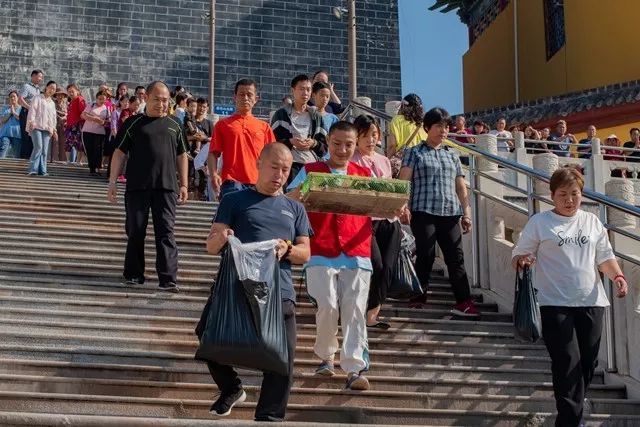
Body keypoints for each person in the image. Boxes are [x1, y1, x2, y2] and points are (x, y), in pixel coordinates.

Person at [511, 167, 628, 427]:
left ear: (581, 194)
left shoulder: (592, 221)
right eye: (563, 194)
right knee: (567, 361)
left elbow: (604, 257)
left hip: (591, 301)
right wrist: (524, 260)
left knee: (587, 362)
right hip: (553, 303)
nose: (569, 200)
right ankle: (570, 421)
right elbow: (519, 255)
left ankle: (571, 415)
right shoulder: (540, 222)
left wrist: (618, 277)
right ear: (552, 195)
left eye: (574, 194)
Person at [203, 143, 312, 421]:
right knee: (208, 337)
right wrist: (223, 236)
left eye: (285, 169)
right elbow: (211, 246)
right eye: (274, 166)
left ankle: (269, 418)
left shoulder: (294, 208)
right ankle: (231, 388)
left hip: (280, 291)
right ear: (259, 164)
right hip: (236, 286)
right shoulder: (234, 200)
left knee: (281, 360)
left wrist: (286, 249)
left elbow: (305, 253)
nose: (279, 174)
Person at [287, 121, 374, 391]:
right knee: (327, 305)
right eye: (337, 144)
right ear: (328, 142)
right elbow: (288, 200)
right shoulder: (310, 171)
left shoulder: (364, 174)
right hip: (320, 249)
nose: (343, 149)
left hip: (357, 250)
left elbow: (380, 206)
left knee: (355, 309)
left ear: (356, 143)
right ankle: (326, 356)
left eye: (349, 144)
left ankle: (355, 368)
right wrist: (302, 193)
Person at [107, 81, 189, 293]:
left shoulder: (175, 124)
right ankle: (134, 274)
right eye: (157, 100)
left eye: (165, 101)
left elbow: (182, 155)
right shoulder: (134, 123)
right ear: (146, 98)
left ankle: (168, 278)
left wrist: (185, 184)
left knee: (166, 232)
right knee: (135, 230)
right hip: (137, 187)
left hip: (167, 187)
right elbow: (119, 152)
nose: (161, 104)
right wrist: (112, 181)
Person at [398, 107, 479, 317]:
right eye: (438, 126)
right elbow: (404, 180)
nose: (443, 130)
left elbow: (461, 187)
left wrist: (466, 212)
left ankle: (465, 302)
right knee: (426, 253)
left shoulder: (452, 155)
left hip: (450, 212)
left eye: (446, 126)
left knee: (456, 257)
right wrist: (402, 205)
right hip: (423, 210)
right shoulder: (414, 152)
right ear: (427, 128)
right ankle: (418, 294)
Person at [351, 115, 406, 329]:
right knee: (375, 263)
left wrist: (401, 206)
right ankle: (359, 306)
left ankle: (373, 315)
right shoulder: (351, 159)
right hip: (364, 221)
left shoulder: (383, 160)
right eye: (365, 135)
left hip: (389, 220)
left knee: (387, 268)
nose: (370, 140)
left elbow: (392, 189)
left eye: (374, 134)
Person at [207, 78, 276, 200]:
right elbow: (213, 153)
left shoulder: (264, 127)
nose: (245, 98)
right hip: (231, 183)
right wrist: (213, 174)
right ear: (235, 97)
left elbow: (273, 157)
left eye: (249, 95)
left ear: (256, 99)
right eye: (241, 94)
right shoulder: (223, 125)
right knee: (229, 218)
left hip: (258, 183)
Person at [271, 74, 327, 184]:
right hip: (289, 166)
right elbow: (272, 143)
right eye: (301, 89)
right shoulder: (281, 114)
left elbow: (324, 148)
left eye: (308, 89)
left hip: (311, 166)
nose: (305, 93)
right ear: (293, 90)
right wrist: (290, 142)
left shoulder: (317, 117)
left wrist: (313, 143)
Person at [26, 80, 57, 176]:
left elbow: (53, 117)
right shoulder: (38, 97)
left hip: (47, 128)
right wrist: (31, 122)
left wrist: (54, 128)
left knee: (44, 150)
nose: (52, 90)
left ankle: (42, 170)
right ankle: (32, 169)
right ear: (46, 87)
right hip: (36, 126)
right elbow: (32, 110)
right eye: (51, 87)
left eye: (54, 89)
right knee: (38, 147)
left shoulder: (52, 103)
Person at [386, 93, 427, 158]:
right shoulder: (425, 124)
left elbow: (392, 145)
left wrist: (386, 160)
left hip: (406, 161)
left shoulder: (397, 120)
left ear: (404, 106)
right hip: (421, 160)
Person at [81, 90, 110, 176]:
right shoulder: (91, 105)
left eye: (103, 99)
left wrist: (103, 122)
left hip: (100, 132)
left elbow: (108, 120)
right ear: (96, 98)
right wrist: (95, 119)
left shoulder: (106, 108)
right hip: (88, 131)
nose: (101, 101)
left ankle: (97, 168)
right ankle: (92, 168)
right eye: (100, 99)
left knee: (98, 150)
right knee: (89, 150)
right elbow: (83, 115)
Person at [18, 69, 44, 159]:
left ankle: (30, 158)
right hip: (26, 113)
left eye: (41, 77)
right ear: (33, 76)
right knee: (26, 135)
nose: (40, 79)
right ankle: (24, 158)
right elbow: (20, 99)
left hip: (34, 116)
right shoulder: (27, 86)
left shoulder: (38, 90)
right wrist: (30, 108)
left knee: (32, 136)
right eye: (39, 76)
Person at [65, 84, 86, 164]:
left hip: (78, 124)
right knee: (68, 142)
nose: (70, 93)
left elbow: (83, 112)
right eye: (69, 92)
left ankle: (78, 161)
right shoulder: (71, 101)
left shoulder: (80, 99)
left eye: (72, 91)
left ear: (77, 91)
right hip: (70, 125)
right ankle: (68, 160)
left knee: (79, 143)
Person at [0, 91, 23, 158]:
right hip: (5, 134)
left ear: (17, 98)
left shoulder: (21, 108)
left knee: (17, 154)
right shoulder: (5, 108)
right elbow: (2, 120)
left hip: (17, 135)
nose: (12, 98)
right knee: (3, 150)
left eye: (14, 96)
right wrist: (10, 113)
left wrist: (13, 112)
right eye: (11, 97)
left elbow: (22, 120)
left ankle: (17, 168)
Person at [50, 88, 68, 162]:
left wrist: (65, 116)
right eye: (58, 95)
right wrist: (60, 116)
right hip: (54, 125)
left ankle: (63, 160)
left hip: (64, 126)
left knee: (63, 143)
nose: (60, 96)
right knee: (55, 142)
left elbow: (69, 114)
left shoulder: (67, 104)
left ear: (64, 96)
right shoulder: (52, 103)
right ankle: (54, 159)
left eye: (61, 95)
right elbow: (51, 112)